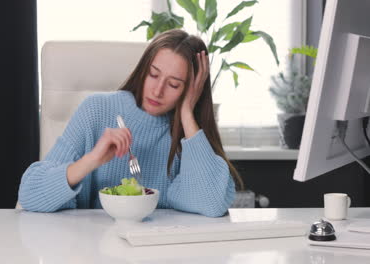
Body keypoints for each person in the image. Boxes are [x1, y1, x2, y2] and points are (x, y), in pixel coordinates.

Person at [18, 29, 243, 217]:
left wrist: (186, 112)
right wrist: (92, 159)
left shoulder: (184, 136)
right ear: (143, 70)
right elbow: (30, 193)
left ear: (189, 91)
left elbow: (211, 202)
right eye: (153, 75)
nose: (157, 90)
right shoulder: (97, 110)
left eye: (174, 85)